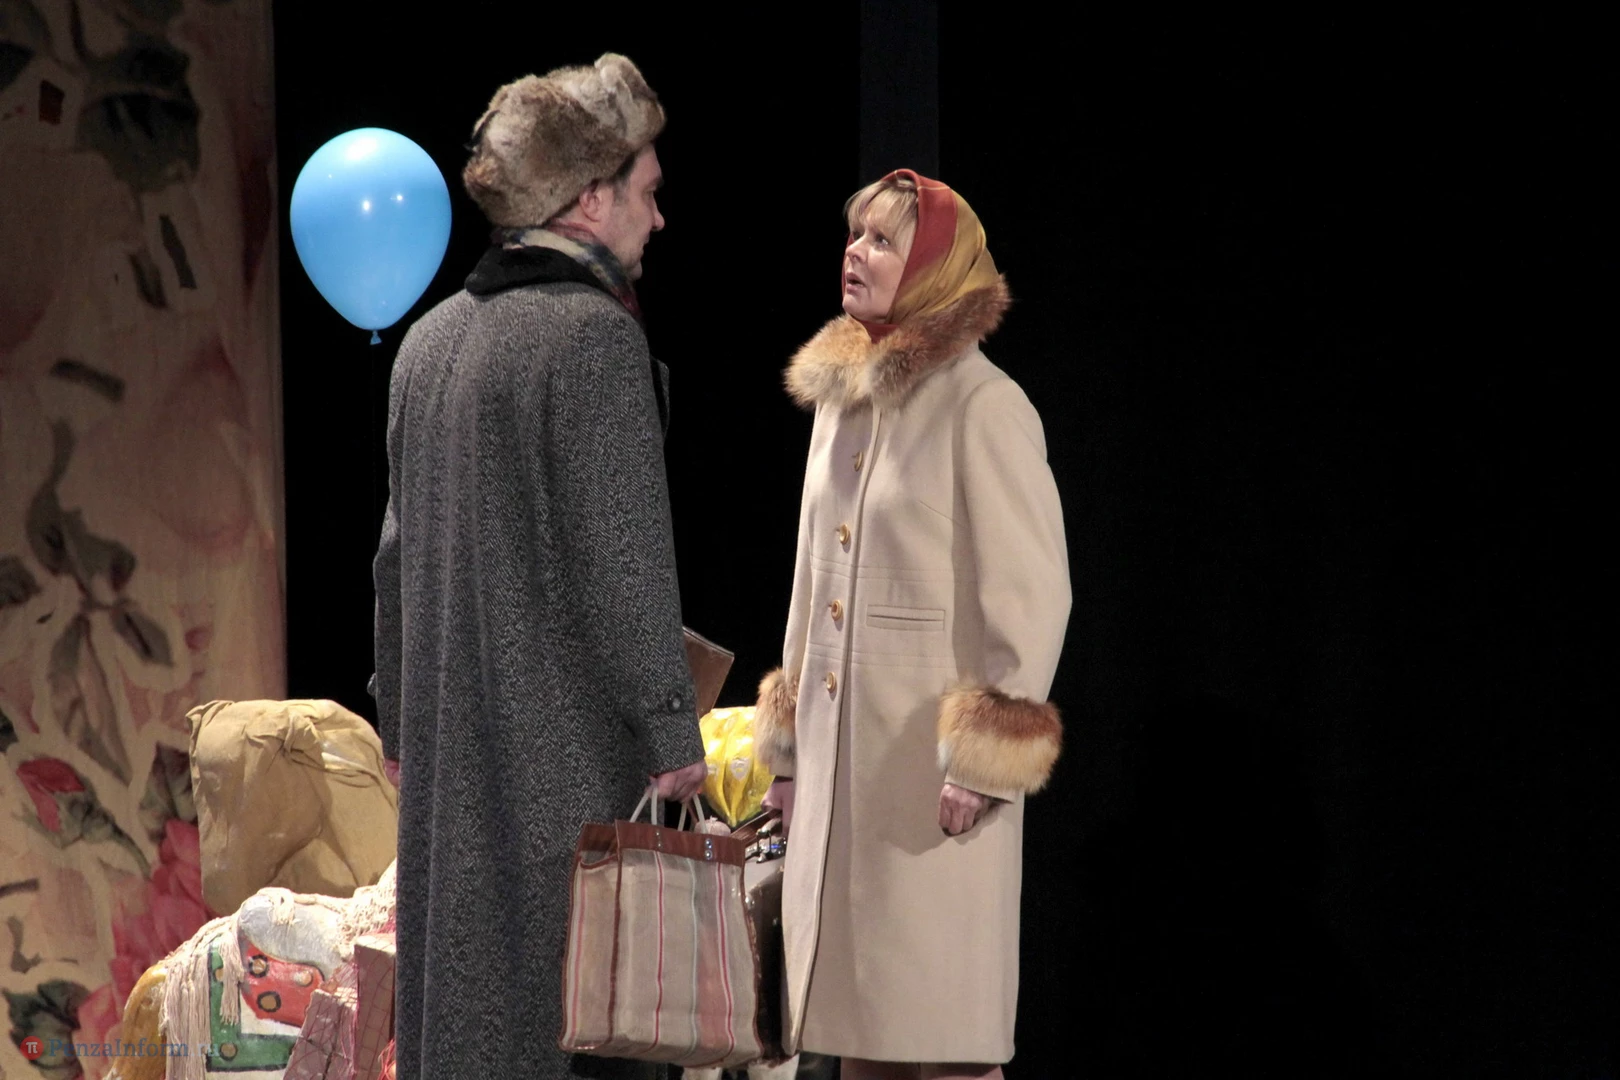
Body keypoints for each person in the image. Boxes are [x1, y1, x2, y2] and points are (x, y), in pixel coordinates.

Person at [369, 54, 707, 1080]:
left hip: (452, 769)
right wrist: (671, 735)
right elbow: (624, 557)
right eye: (647, 192)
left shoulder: (427, 343)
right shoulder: (592, 340)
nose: (659, 219)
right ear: (590, 198)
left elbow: (392, 561)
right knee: (575, 1022)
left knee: (474, 1027)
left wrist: (401, 728)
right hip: (565, 777)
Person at [754, 170, 1071, 1080]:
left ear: (932, 267)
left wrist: (983, 762)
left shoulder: (984, 405)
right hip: (842, 783)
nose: (855, 253)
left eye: (883, 241)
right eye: (855, 235)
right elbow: (810, 588)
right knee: (862, 1037)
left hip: (929, 788)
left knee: (946, 1039)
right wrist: (788, 759)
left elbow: (1034, 594)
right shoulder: (841, 403)